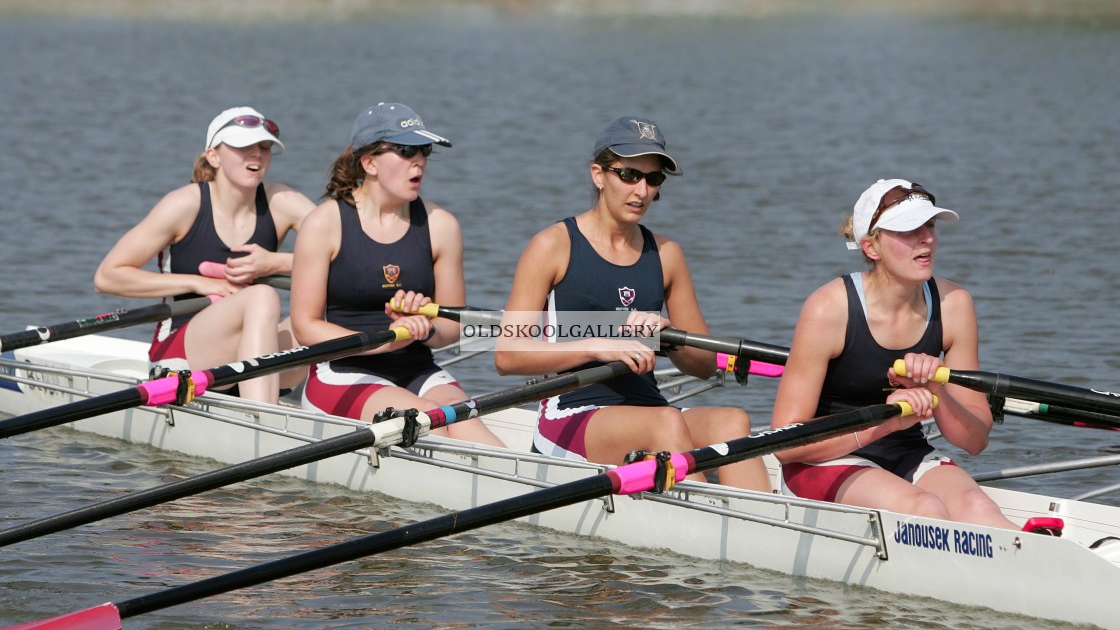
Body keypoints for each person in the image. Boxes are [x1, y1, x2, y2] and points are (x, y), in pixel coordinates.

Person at [493, 116, 771, 492]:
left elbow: (704, 366)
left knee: (733, 421)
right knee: (665, 424)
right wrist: (600, 345)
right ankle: (716, 525)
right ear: (598, 175)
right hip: (573, 412)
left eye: (653, 179)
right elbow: (508, 354)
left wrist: (669, 336)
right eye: (628, 175)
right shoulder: (553, 246)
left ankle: (754, 529)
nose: (641, 191)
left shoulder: (667, 254)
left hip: (649, 409)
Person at [770, 178, 1020, 530]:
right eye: (908, 230)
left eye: (929, 225)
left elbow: (975, 440)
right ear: (872, 247)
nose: (927, 239)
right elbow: (786, 443)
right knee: (923, 508)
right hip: (822, 460)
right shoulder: (828, 309)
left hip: (905, 450)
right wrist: (888, 420)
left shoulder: (954, 305)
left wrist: (936, 391)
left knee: (978, 508)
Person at [289, 102, 503, 446]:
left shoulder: (441, 225)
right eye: (405, 150)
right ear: (369, 163)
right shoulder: (324, 223)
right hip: (342, 371)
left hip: (417, 367)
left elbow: (451, 327)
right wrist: (391, 337)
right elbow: (305, 326)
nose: (419, 160)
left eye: (424, 150)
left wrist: (423, 326)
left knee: (468, 427)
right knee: (427, 415)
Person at [94, 106, 316, 404]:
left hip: (251, 351)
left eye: (264, 147)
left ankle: (334, 398)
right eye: (243, 147)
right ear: (214, 156)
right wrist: (197, 283)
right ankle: (263, 411)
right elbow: (108, 276)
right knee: (262, 296)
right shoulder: (184, 205)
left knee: (333, 298)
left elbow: (348, 255)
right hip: (181, 358)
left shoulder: (282, 201)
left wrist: (276, 262)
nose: (257, 155)